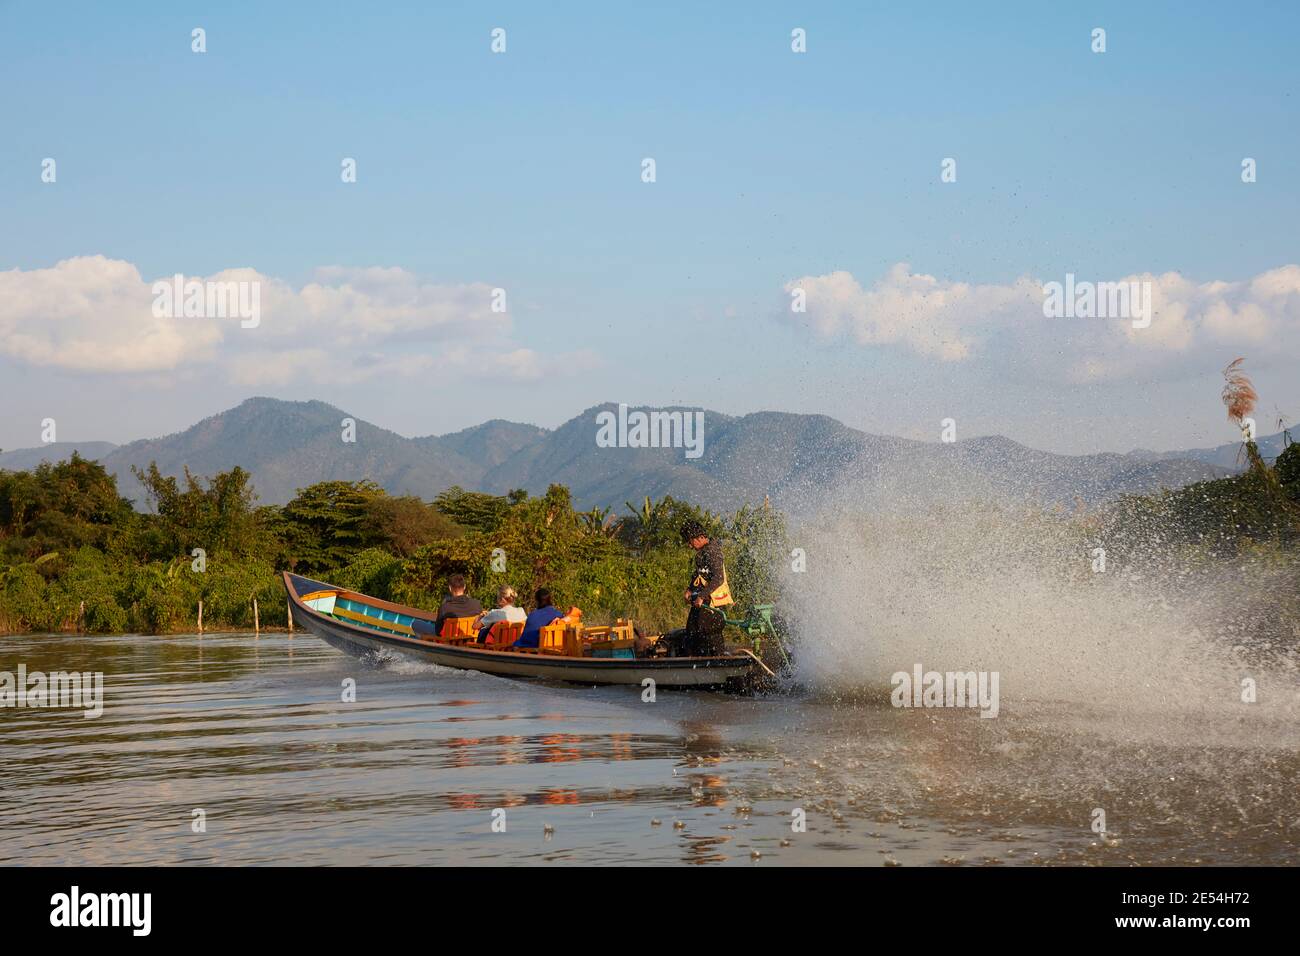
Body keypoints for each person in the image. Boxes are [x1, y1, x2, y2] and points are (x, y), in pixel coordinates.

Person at [674, 519, 732, 657]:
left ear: (700, 537)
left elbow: (718, 578)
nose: (689, 545)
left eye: (690, 541)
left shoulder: (712, 551)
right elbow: (699, 574)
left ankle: (719, 663)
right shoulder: (701, 553)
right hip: (703, 600)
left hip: (714, 603)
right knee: (692, 631)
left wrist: (701, 596)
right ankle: (695, 664)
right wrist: (689, 589)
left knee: (709, 632)